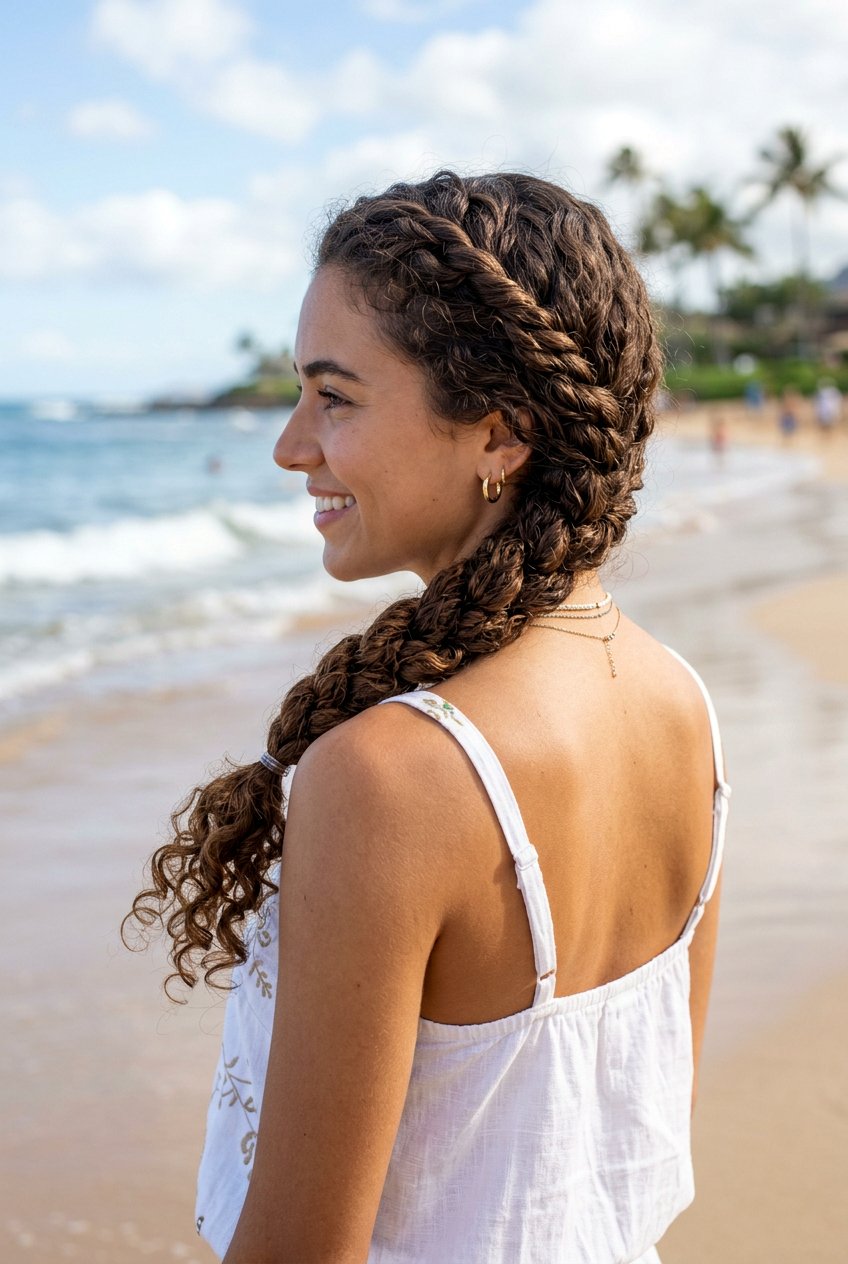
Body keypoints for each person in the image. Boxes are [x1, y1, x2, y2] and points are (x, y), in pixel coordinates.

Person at [126, 171, 730, 1263]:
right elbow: (636, 1150)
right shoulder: (679, 705)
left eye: (335, 398)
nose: (289, 445)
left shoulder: (392, 775)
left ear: (499, 434)